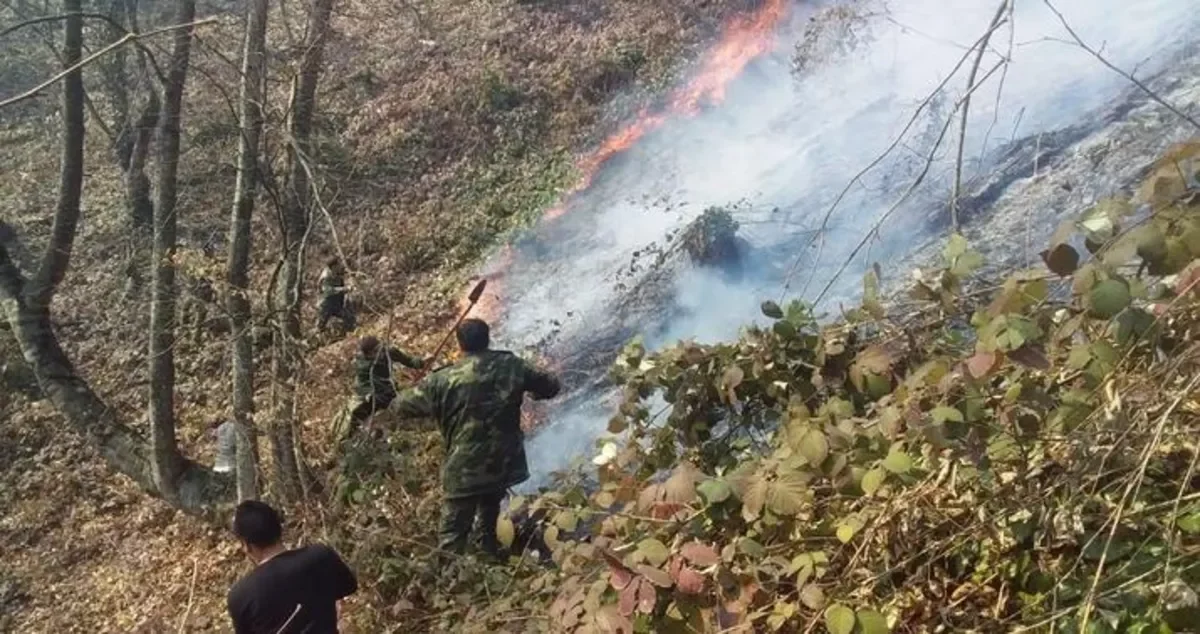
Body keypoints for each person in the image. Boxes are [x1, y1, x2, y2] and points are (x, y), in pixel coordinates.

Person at [388, 318, 560, 556]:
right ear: (488, 338)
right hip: (504, 462)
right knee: (489, 513)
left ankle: (452, 583)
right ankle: (490, 554)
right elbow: (551, 385)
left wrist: (416, 389)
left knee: (452, 537)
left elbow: (399, 407)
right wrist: (532, 393)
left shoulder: (441, 380)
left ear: (460, 345)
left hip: (464, 470)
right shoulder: (511, 365)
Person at [226, 501, 357, 634]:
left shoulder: (240, 595)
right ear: (279, 529)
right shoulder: (320, 555)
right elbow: (349, 586)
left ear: (247, 545)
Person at [349, 335, 424, 426]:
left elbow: (409, 361)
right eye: (372, 354)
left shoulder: (389, 352)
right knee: (359, 413)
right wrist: (369, 394)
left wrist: (421, 362)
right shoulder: (362, 364)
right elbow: (362, 385)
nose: (376, 354)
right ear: (367, 354)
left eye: (377, 350)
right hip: (375, 394)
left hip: (389, 389)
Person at [317, 258, 356, 332]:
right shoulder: (326, 276)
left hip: (337, 301)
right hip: (327, 303)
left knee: (349, 317)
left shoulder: (337, 271)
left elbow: (348, 272)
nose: (340, 265)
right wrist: (343, 289)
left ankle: (350, 334)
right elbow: (327, 290)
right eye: (338, 264)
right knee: (321, 325)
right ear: (334, 266)